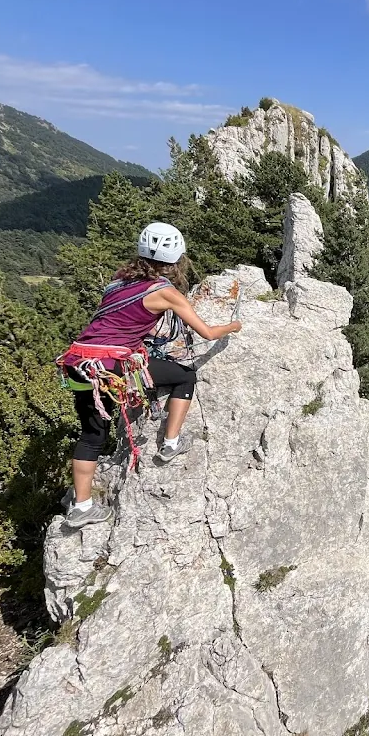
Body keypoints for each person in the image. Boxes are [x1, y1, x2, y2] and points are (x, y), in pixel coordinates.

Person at [57, 222, 242, 528]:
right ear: (177, 260)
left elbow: (118, 323)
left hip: (79, 363)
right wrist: (233, 327)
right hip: (112, 365)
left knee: (92, 435)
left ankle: (81, 505)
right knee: (184, 376)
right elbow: (207, 332)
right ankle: (171, 443)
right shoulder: (164, 292)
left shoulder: (114, 285)